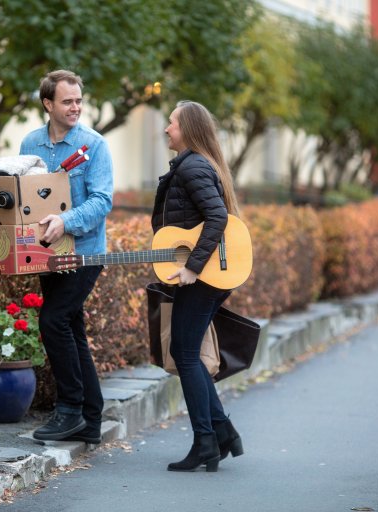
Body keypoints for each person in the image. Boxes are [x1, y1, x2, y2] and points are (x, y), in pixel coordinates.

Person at [19, 69, 114, 443]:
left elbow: (102, 200)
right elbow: (26, 197)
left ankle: (70, 410)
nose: (75, 107)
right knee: (72, 329)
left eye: (78, 101)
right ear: (48, 104)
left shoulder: (95, 145)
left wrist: (66, 220)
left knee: (54, 321)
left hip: (85, 253)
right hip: (47, 253)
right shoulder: (31, 144)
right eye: (67, 101)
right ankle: (91, 420)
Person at [150, 101, 243, 472]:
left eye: (171, 123)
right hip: (205, 272)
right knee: (187, 352)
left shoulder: (193, 167)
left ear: (187, 128)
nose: (166, 129)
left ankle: (207, 440)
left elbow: (217, 217)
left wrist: (192, 265)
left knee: (186, 353)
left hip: (204, 274)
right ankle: (220, 433)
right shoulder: (192, 165)